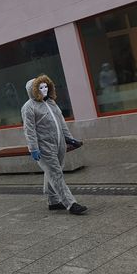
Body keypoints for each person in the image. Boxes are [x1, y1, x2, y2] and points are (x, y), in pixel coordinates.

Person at [22, 75, 88, 215]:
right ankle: (71, 203)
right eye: (40, 88)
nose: (44, 90)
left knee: (53, 172)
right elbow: (29, 130)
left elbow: (61, 122)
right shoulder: (28, 107)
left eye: (46, 86)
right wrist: (33, 148)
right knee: (56, 174)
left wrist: (69, 139)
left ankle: (53, 201)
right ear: (33, 90)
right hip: (44, 147)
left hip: (59, 144)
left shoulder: (51, 102)